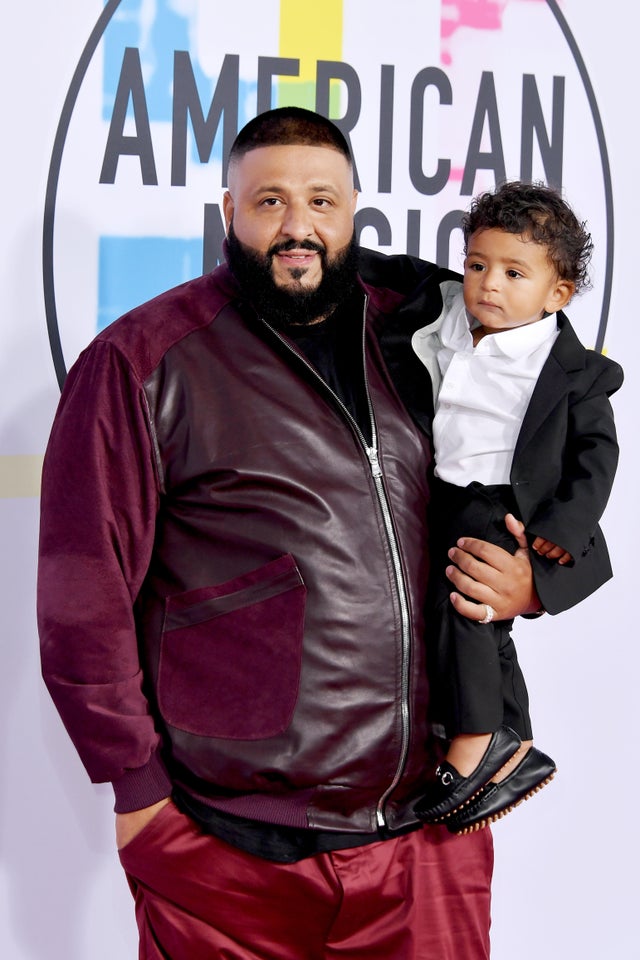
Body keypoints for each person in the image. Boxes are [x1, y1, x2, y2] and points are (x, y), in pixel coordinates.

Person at [38, 109, 572, 959]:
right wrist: (137, 791)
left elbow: (556, 409)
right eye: (269, 202)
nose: (298, 226)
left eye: (322, 201)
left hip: (429, 829)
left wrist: (537, 579)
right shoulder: (143, 361)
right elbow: (82, 595)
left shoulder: (433, 325)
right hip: (227, 846)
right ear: (228, 213)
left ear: (355, 208)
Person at [405, 182, 623, 834]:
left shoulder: (573, 371)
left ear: (558, 295)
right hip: (442, 496)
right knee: (482, 627)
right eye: (478, 265)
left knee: (465, 602)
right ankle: (516, 743)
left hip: (501, 506)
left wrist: (562, 532)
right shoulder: (446, 313)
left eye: (513, 273)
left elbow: (596, 459)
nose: (488, 284)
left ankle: (476, 740)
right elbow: (390, 272)